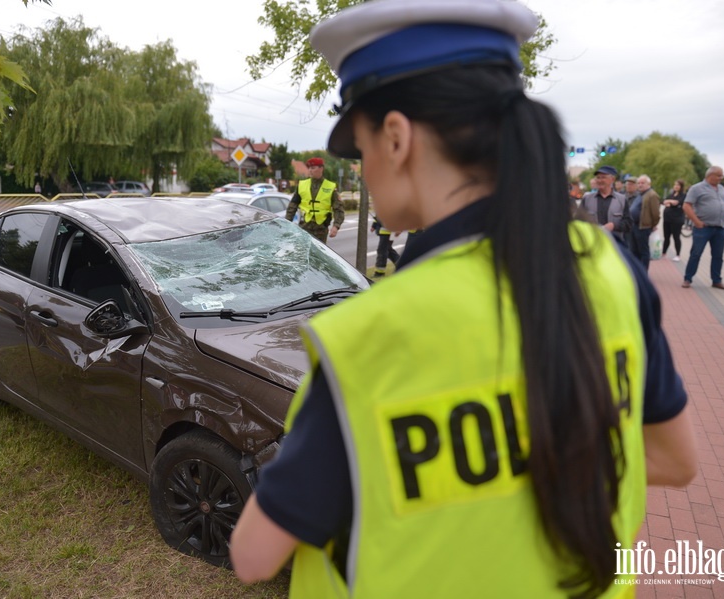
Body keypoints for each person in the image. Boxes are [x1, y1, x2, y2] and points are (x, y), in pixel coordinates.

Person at [230, 1, 697, 597]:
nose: (364, 167)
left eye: (361, 146)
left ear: (396, 136)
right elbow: (676, 462)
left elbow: (253, 554)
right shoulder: (613, 270)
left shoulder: (376, 333)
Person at [682, 166, 724, 289]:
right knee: (696, 254)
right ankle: (688, 278)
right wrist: (696, 222)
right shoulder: (697, 188)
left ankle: (716, 280)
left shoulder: (722, 189)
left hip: (719, 228)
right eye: (719, 175)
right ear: (710, 175)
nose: (721, 178)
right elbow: (686, 206)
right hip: (703, 227)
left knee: (718, 256)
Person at [285, 157, 345, 244]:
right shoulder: (302, 185)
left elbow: (338, 208)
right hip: (304, 227)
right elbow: (292, 206)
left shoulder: (330, 187)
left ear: (321, 168)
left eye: (313, 168)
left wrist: (336, 226)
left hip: (321, 229)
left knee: (318, 256)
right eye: (309, 168)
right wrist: (287, 222)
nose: (310, 170)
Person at [581, 165, 630, 242]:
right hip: (592, 243)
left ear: (612, 179)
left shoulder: (622, 200)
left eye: (603, 177)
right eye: (598, 177)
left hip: (615, 245)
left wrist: (614, 226)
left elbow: (628, 223)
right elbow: (579, 221)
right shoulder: (587, 199)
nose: (600, 180)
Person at [631, 175, 661, 270]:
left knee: (643, 251)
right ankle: (637, 271)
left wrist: (652, 225)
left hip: (643, 227)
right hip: (635, 226)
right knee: (635, 251)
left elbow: (656, 214)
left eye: (642, 183)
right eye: (638, 183)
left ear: (649, 184)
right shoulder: (640, 194)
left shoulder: (652, 195)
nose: (640, 185)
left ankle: (643, 272)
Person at [662, 179, 687, 261]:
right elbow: (664, 201)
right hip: (667, 219)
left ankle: (677, 255)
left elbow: (677, 202)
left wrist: (670, 202)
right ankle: (664, 253)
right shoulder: (671, 194)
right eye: (675, 185)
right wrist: (669, 201)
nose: (676, 186)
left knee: (676, 237)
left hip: (676, 220)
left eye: (678, 185)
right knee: (666, 237)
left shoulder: (683, 195)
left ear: (681, 187)